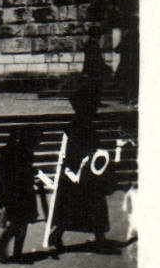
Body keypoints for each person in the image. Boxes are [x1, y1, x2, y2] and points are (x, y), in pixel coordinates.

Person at [48, 89, 112, 253]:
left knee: (78, 207)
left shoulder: (79, 123)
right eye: (93, 107)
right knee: (88, 206)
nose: (96, 110)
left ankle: (96, 239)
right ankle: (98, 240)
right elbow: (77, 150)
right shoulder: (81, 125)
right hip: (82, 173)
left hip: (82, 171)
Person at [0, 125, 42, 263]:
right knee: (21, 223)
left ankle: (9, 247)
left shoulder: (17, 151)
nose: (38, 143)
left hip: (16, 193)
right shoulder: (21, 153)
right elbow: (19, 173)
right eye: (37, 140)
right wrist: (32, 174)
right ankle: (8, 245)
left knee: (19, 223)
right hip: (20, 193)